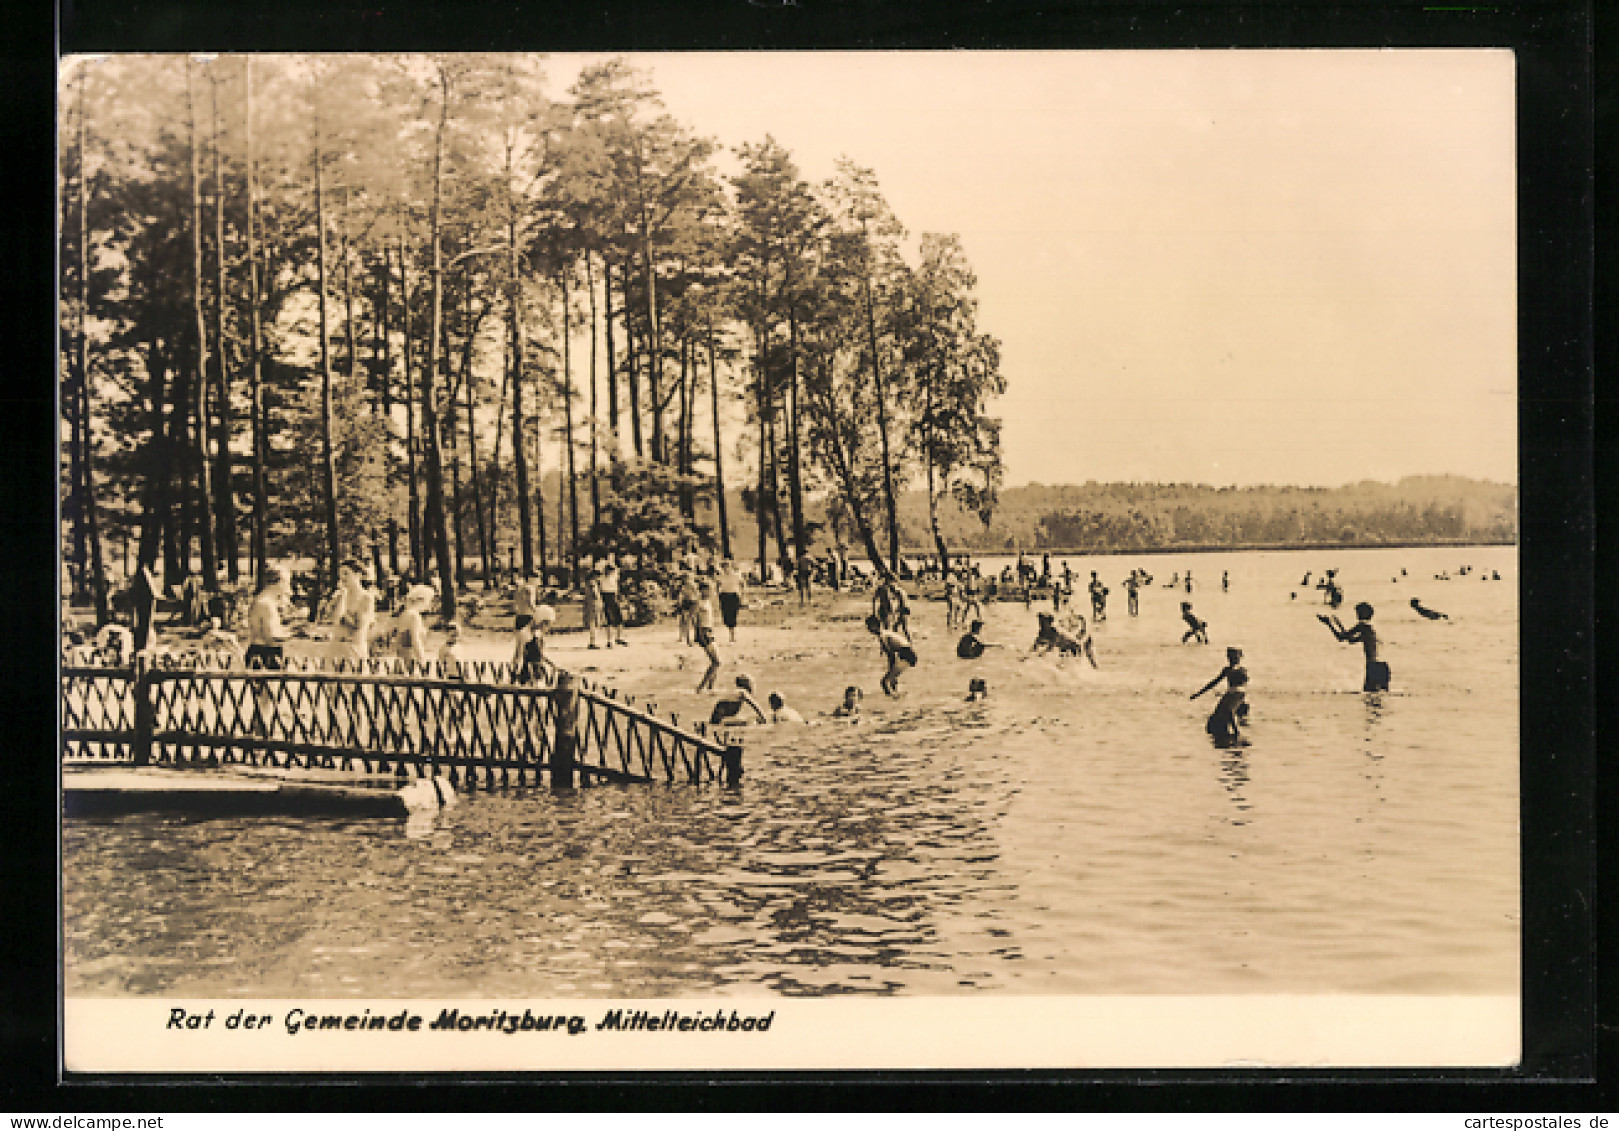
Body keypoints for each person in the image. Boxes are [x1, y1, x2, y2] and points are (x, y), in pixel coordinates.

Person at [1319, 602, 1391, 692]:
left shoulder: (1362, 626)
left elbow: (1342, 637)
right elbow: (1350, 640)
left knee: (1369, 696)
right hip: (1383, 666)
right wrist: (1338, 624)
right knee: (1380, 696)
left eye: (1357, 613)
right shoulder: (1371, 629)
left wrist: (1329, 624)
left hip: (1373, 666)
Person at [245, 566, 293, 671]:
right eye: (287, 582)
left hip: (265, 653)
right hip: (264, 655)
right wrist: (296, 633)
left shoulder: (266, 602)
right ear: (278, 582)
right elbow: (270, 636)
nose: (288, 586)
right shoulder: (265, 604)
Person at [867, 613, 917, 697]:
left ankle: (894, 697)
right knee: (891, 679)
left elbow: (891, 656)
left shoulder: (883, 636)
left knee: (885, 682)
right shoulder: (885, 633)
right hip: (906, 654)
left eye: (869, 627)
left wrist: (891, 670)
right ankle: (896, 694)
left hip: (907, 655)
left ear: (875, 625)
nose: (869, 630)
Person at [1202, 668, 1250, 748]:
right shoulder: (1239, 693)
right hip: (1220, 723)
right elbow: (1230, 711)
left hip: (1214, 722)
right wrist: (1236, 732)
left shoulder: (1231, 692)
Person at [1032, 612, 1097, 667]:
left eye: (1043, 622)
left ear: (1050, 623)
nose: (1041, 624)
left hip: (1075, 646)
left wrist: (1039, 656)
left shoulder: (1055, 632)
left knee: (1081, 665)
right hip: (1064, 648)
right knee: (1062, 666)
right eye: (1040, 621)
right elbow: (1034, 647)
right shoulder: (1042, 632)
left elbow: (1050, 647)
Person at [392, 584, 435, 667]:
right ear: (422, 600)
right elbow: (415, 640)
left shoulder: (405, 613)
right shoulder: (413, 615)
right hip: (411, 657)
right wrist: (422, 659)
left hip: (402, 655)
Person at [513, 604, 555, 684]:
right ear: (541, 622)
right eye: (547, 624)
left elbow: (540, 654)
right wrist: (515, 670)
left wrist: (551, 664)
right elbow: (518, 654)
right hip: (528, 671)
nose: (548, 628)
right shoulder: (525, 634)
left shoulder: (538, 634)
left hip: (538, 670)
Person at [693, 580, 723, 692]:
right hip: (704, 633)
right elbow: (696, 620)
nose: (710, 591)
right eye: (708, 589)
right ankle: (701, 687)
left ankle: (711, 687)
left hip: (709, 631)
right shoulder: (699, 603)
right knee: (717, 661)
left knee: (716, 662)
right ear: (703, 590)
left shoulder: (708, 602)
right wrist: (700, 635)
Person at [128, 561, 159, 654]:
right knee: (142, 625)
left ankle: (141, 645)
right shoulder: (143, 574)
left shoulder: (143, 574)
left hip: (144, 604)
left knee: (144, 625)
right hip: (143, 604)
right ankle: (140, 646)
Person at [873, 572, 912, 642]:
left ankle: (895, 642)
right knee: (895, 628)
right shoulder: (894, 590)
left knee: (897, 628)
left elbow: (895, 601)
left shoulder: (895, 590)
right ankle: (898, 642)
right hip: (892, 610)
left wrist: (895, 610)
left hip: (896, 610)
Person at [716, 558, 745, 643]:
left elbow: (742, 583)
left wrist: (742, 593)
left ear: (730, 566)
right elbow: (718, 584)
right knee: (726, 616)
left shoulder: (736, 575)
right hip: (724, 595)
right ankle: (730, 631)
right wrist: (718, 593)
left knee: (733, 615)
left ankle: (732, 635)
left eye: (727, 566)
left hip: (733, 595)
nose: (725, 568)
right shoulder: (721, 575)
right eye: (724, 566)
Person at [599, 558, 626, 646]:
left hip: (611, 596)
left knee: (617, 618)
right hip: (608, 596)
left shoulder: (611, 576)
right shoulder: (604, 578)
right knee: (610, 619)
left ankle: (617, 638)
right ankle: (611, 640)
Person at [582, 566, 604, 649]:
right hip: (594, 604)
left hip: (589, 603)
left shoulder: (588, 583)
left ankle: (592, 641)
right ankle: (592, 642)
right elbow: (594, 594)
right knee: (594, 623)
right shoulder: (593, 583)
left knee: (593, 623)